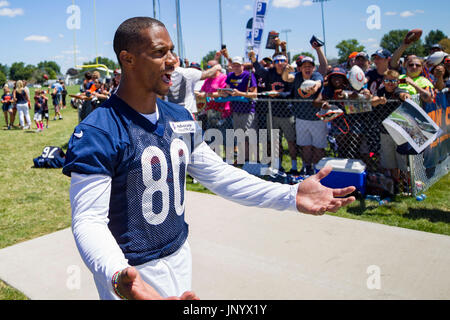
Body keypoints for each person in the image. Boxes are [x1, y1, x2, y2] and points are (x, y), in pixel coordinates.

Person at [62, 16, 356, 301]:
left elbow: (220, 175)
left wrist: (290, 195)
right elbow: (88, 219)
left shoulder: (179, 117)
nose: (173, 60)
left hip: (178, 255)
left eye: (172, 51)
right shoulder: (99, 129)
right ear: (127, 59)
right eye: (159, 53)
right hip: (132, 270)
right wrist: (118, 276)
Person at [249, 51, 297, 173]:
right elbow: (259, 70)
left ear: (286, 62)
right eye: (276, 61)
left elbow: (291, 93)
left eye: (282, 60)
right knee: (275, 141)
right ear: (274, 63)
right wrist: (254, 60)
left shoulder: (291, 75)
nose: (279, 63)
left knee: (291, 141)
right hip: (273, 112)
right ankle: (277, 165)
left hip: (287, 112)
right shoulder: (270, 73)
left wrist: (278, 94)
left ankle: (294, 166)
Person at [281, 56, 324, 176]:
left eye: (310, 66)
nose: (307, 68)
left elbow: (318, 84)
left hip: (317, 119)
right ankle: (307, 168)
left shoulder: (316, 75)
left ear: (313, 67)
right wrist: (286, 70)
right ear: (300, 68)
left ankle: (318, 169)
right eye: (305, 66)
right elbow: (286, 78)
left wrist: (314, 88)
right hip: (301, 118)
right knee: (305, 146)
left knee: (318, 147)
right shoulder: (298, 76)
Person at [371, 69, 411, 190]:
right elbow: (372, 102)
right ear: (384, 81)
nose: (390, 83)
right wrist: (379, 100)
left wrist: (406, 97)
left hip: (400, 133)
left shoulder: (399, 90)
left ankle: (407, 185)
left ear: (397, 82)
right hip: (385, 132)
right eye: (387, 80)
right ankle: (396, 185)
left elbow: (404, 95)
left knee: (403, 161)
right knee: (391, 162)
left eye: (393, 81)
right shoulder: (381, 91)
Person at [221, 55, 258, 163]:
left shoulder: (248, 76)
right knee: (240, 137)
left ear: (242, 66)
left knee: (250, 136)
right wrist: (224, 92)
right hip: (236, 110)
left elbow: (254, 94)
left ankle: (254, 160)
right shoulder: (230, 75)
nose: (236, 67)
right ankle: (244, 158)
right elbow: (227, 88)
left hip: (248, 110)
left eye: (238, 65)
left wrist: (239, 93)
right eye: (234, 65)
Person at [167, 53, 221, 118]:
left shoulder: (162, 74)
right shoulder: (186, 72)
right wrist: (216, 67)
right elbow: (206, 74)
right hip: (186, 113)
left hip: (169, 113)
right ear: (177, 59)